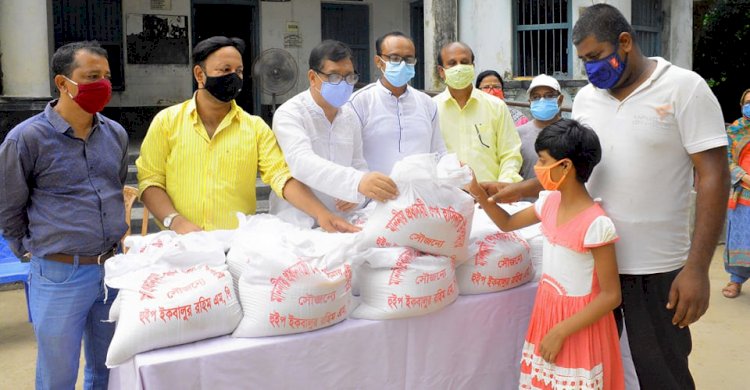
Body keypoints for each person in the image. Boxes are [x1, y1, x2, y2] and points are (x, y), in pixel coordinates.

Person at [482, 5, 729, 389]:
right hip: (591, 268)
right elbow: (573, 168)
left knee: (661, 372)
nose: (590, 69)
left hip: (656, 266)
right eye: (583, 61)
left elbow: (714, 175)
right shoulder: (587, 99)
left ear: (625, 43)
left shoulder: (684, 87)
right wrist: (522, 188)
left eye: (595, 57)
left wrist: (697, 267)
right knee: (592, 370)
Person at [0, 41, 128, 389]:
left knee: (108, 368)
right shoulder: (26, 139)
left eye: (105, 76)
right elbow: (9, 207)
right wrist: (31, 249)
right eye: (90, 76)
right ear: (62, 83)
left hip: (111, 272)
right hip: (59, 274)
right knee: (58, 374)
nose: (101, 84)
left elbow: (114, 188)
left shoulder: (114, 134)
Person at [136, 36, 356, 233]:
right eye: (225, 70)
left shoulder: (255, 128)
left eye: (239, 71)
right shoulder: (167, 122)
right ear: (199, 74)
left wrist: (321, 213)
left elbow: (281, 177)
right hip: (180, 241)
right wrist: (176, 222)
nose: (234, 77)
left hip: (236, 243)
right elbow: (150, 181)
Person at [469, 119, 624, 389]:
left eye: (542, 161)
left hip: (578, 325)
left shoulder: (597, 224)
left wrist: (561, 331)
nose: (537, 169)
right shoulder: (549, 202)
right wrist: (480, 195)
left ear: (565, 166)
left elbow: (611, 296)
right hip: (548, 311)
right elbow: (507, 223)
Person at [269, 40, 398, 227]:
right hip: (296, 220)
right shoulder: (290, 113)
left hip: (340, 219)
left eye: (349, 77)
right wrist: (356, 182)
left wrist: (358, 195)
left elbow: (358, 164)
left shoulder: (350, 116)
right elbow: (301, 162)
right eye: (334, 77)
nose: (344, 84)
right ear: (313, 78)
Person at [349, 31, 446, 175]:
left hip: (420, 195)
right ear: (378, 61)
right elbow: (348, 158)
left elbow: (438, 152)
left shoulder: (427, 104)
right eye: (394, 58)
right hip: (374, 195)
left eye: (408, 59)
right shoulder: (358, 103)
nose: (402, 64)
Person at [433, 42, 523, 183]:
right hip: (445, 199)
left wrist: (503, 186)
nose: (459, 68)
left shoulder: (496, 106)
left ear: (472, 67)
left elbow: (510, 153)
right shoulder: (431, 109)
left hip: (489, 197)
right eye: (452, 63)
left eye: (464, 62)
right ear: (441, 71)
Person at [722, 88, 750, 298]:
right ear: (742, 106)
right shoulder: (734, 130)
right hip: (742, 192)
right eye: (748, 102)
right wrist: (744, 177)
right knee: (740, 240)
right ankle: (736, 280)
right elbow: (726, 160)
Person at [516, 74, 565, 181]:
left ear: (560, 100)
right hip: (527, 198)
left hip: (565, 197)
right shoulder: (519, 134)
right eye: (536, 97)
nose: (542, 100)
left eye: (549, 95)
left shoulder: (571, 132)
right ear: (530, 102)